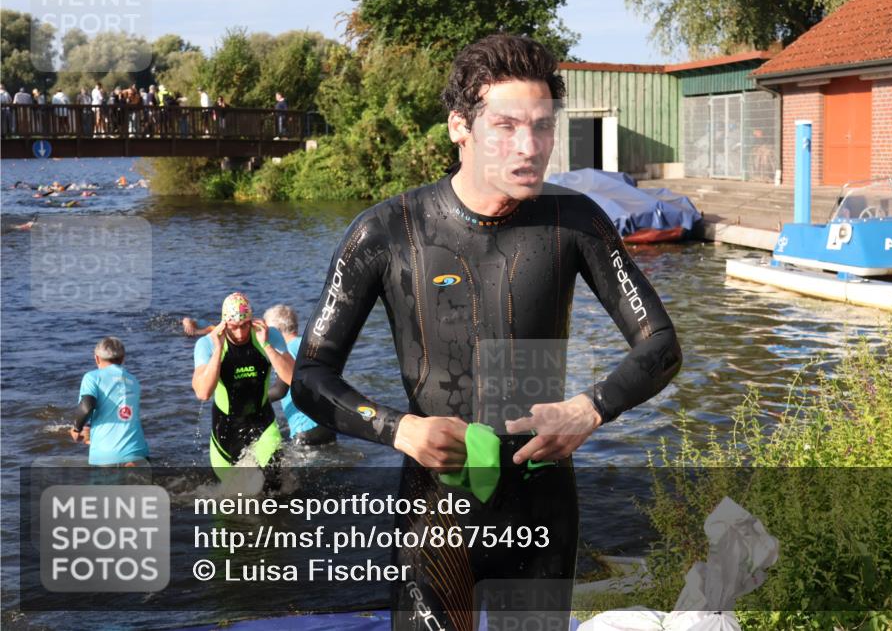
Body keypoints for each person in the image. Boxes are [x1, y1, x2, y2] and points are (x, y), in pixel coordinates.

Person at [292, 34, 682, 631]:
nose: (529, 148)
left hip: (543, 502)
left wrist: (589, 409)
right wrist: (399, 429)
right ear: (459, 127)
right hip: (436, 508)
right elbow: (312, 379)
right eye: (505, 126)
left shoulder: (575, 220)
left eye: (543, 127)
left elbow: (661, 345)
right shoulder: (386, 232)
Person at [192, 292, 294, 481]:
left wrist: (267, 346)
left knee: (276, 482)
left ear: (252, 320)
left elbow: (293, 379)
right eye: (233, 327)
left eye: (244, 326)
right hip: (225, 428)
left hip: (262, 421)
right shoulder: (206, 344)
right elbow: (203, 392)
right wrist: (217, 351)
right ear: (224, 324)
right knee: (231, 497)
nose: (240, 333)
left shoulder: (269, 335)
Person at [263, 305, 336, 446]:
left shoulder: (287, 351)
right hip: (327, 424)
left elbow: (280, 390)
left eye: (267, 331)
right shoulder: (309, 345)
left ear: (276, 331)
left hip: (304, 427)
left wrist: (251, 402)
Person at [72, 337, 150, 466]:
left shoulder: (92, 377)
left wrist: (76, 429)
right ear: (123, 358)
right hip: (138, 453)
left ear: (96, 358)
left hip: (107, 457)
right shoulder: (134, 380)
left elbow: (86, 406)